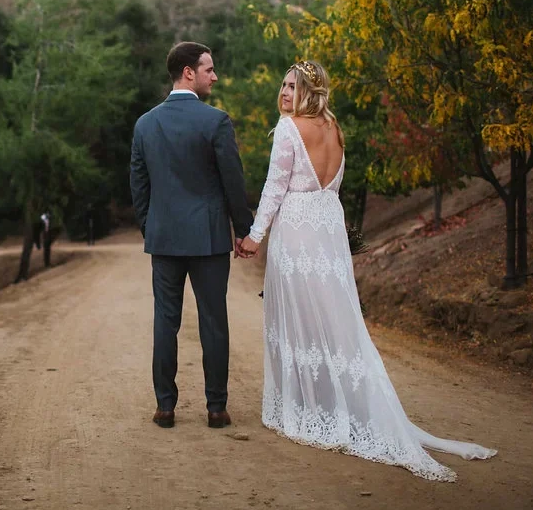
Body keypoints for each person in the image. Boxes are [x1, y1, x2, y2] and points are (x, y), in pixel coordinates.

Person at [238, 60, 497, 481]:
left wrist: (254, 236)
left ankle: (309, 409)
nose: (284, 93)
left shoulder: (288, 129)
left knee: (302, 319)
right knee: (334, 320)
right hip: (328, 232)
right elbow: (332, 186)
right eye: (283, 85)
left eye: (293, 87)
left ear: (310, 92)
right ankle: (335, 402)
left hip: (299, 234)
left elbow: (274, 187)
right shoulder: (334, 129)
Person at [129, 41, 254, 429]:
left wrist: (151, 227)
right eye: (209, 69)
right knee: (213, 322)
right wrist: (243, 230)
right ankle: (216, 408)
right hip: (208, 239)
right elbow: (233, 182)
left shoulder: (145, 124)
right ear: (188, 73)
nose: (214, 76)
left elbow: (139, 185)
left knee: (165, 321)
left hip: (164, 238)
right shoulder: (216, 121)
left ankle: (165, 407)